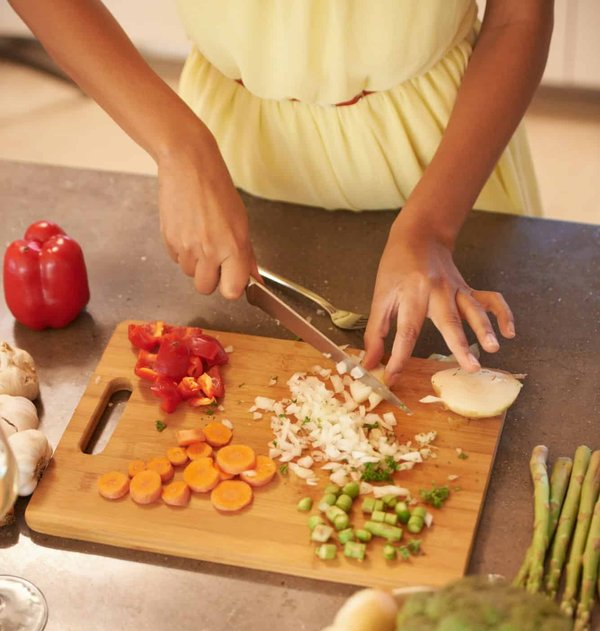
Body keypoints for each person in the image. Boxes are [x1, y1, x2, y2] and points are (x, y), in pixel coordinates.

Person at [9, 0, 553, 383]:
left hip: (448, 156)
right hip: (229, 149)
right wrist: (179, 147)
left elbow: (519, 15)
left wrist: (431, 227)